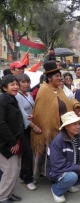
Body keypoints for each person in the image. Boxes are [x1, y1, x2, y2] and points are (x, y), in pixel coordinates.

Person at [31, 61, 80, 177]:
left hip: (62, 127)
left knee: (61, 153)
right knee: (48, 153)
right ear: (49, 78)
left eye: (60, 76)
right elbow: (42, 112)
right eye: (57, 76)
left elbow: (67, 102)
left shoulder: (60, 90)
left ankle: (60, 174)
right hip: (49, 129)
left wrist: (75, 105)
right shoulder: (44, 90)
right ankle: (48, 174)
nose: (60, 79)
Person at [46, 111, 80, 203]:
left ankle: (68, 184)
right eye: (74, 124)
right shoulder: (57, 141)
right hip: (56, 171)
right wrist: (78, 168)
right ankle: (56, 190)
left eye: (78, 123)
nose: (78, 126)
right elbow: (57, 164)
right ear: (66, 127)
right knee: (72, 176)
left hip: (72, 168)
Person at [0, 74, 24, 203]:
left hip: (15, 140)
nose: (16, 87)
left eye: (16, 84)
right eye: (12, 84)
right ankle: (3, 197)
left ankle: (9, 194)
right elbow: (1, 123)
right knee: (10, 170)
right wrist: (13, 142)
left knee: (16, 169)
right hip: (5, 142)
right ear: (4, 88)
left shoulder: (12, 98)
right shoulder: (3, 100)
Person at [16, 74, 41, 191]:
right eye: (23, 82)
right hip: (23, 128)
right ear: (18, 83)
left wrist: (34, 116)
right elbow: (22, 114)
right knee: (27, 155)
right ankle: (28, 180)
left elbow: (32, 110)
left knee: (28, 153)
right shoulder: (18, 96)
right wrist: (35, 126)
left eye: (28, 82)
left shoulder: (29, 94)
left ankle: (23, 176)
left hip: (29, 127)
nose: (26, 84)